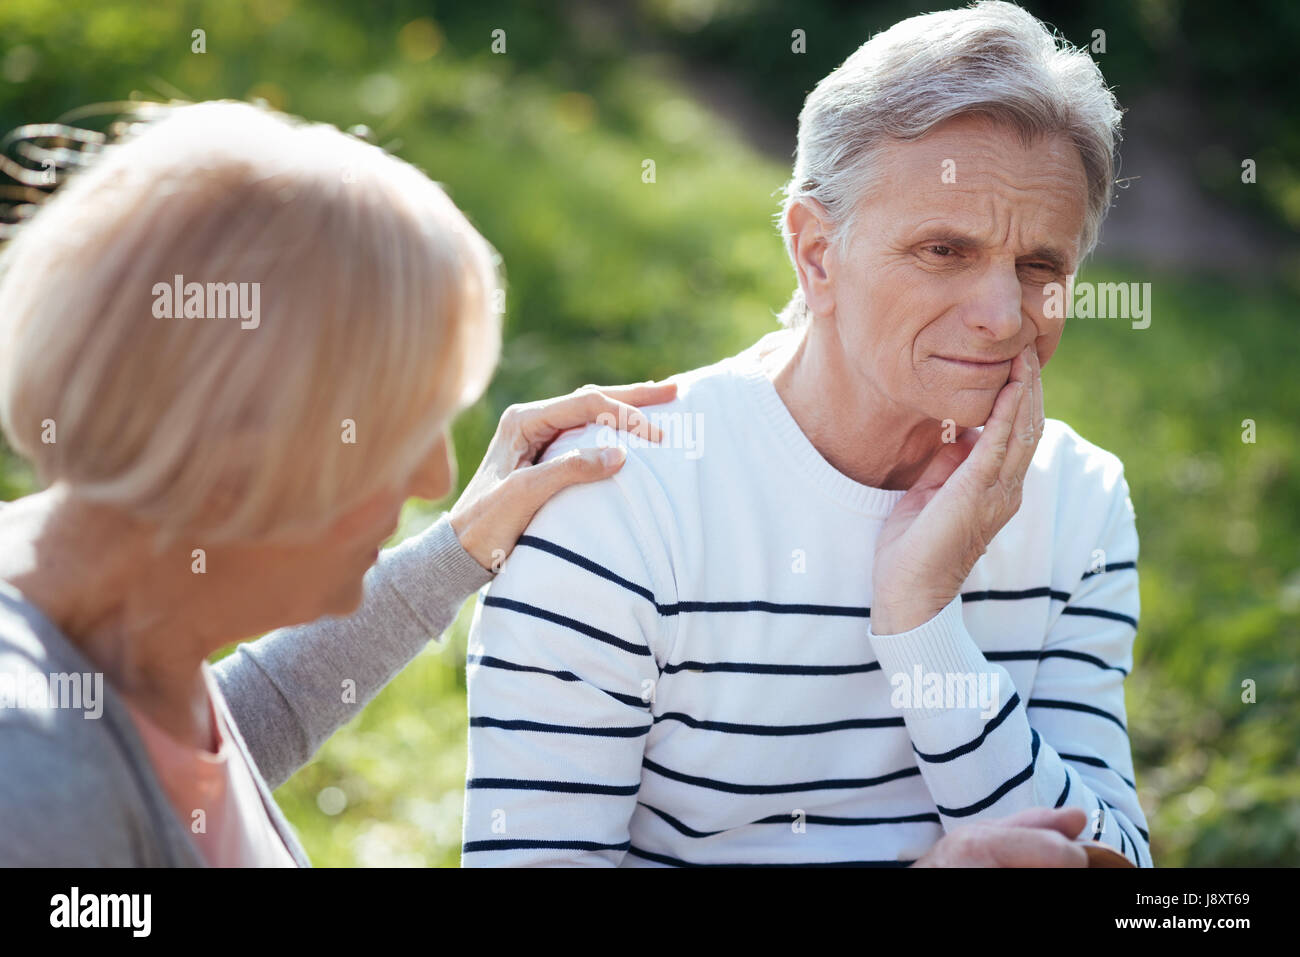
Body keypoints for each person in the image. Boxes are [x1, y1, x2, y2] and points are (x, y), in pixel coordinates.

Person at [460, 1, 1152, 867]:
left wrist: (924, 624)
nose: (1003, 316)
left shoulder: (1080, 499)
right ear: (816, 254)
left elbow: (1129, 877)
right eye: (945, 250)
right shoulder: (612, 497)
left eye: (1040, 266)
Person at [0, 99, 675, 866]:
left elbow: (210, 761)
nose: (435, 474)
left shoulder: (121, 649)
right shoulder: (31, 784)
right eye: (400, 434)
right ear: (242, 453)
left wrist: (458, 547)